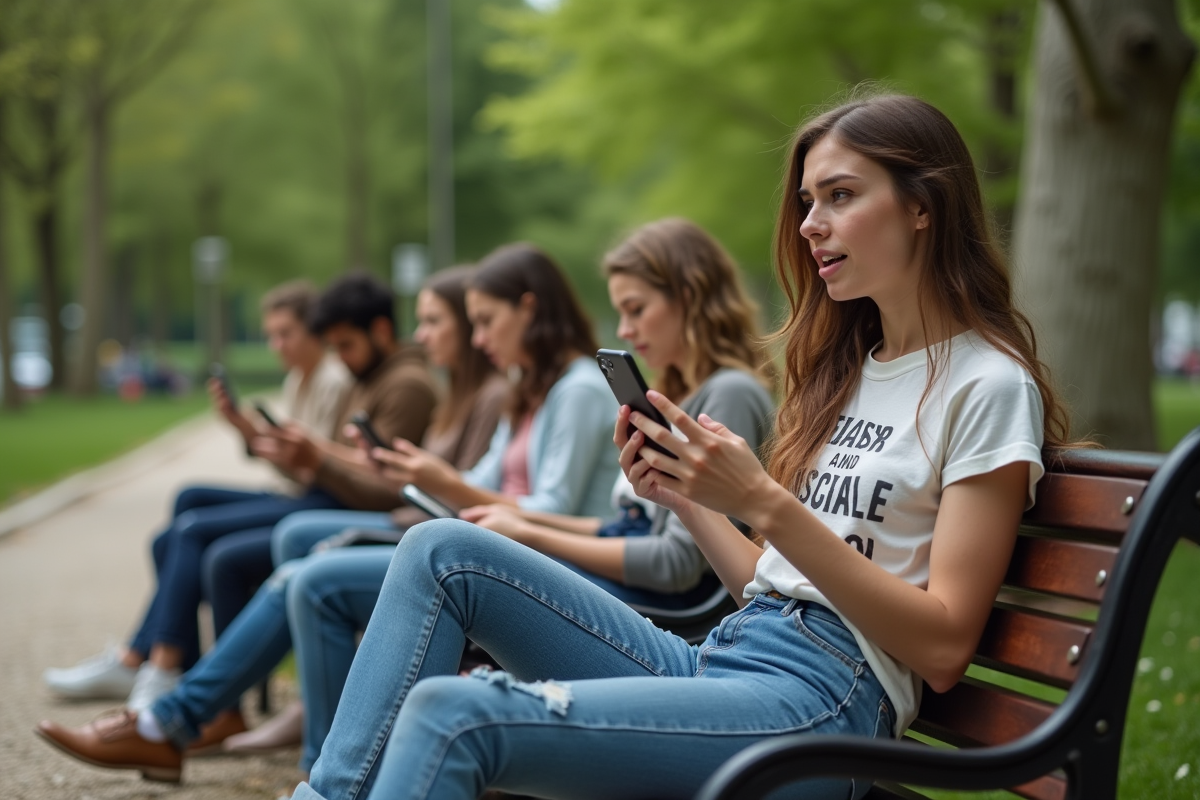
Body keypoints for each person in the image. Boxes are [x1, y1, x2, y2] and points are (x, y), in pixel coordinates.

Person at [281, 93, 1074, 800]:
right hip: (733, 657)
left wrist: (763, 501)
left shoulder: (987, 386)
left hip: (823, 705)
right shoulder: (852, 373)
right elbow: (769, 587)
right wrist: (689, 499)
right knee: (440, 550)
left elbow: (941, 646)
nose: (809, 224)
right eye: (806, 201)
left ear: (922, 206)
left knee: (455, 713)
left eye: (841, 195)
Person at [33, 245, 620, 781]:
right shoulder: (532, 390)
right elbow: (480, 484)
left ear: (530, 308)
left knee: (311, 577)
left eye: (484, 321)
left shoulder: (575, 390)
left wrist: (436, 482)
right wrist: (426, 478)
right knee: (296, 567)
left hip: (524, 567)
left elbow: (550, 509)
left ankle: (305, 766)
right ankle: (194, 727)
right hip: (482, 549)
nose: (478, 337)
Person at [42, 273, 437, 717]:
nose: (278, 345)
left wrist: (312, 457)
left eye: (287, 333)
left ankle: (172, 677)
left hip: (336, 506)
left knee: (204, 542)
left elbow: (374, 483)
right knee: (183, 515)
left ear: (378, 330)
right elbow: (334, 465)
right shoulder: (367, 375)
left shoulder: (393, 383)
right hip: (322, 497)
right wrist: (257, 436)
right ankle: (173, 670)